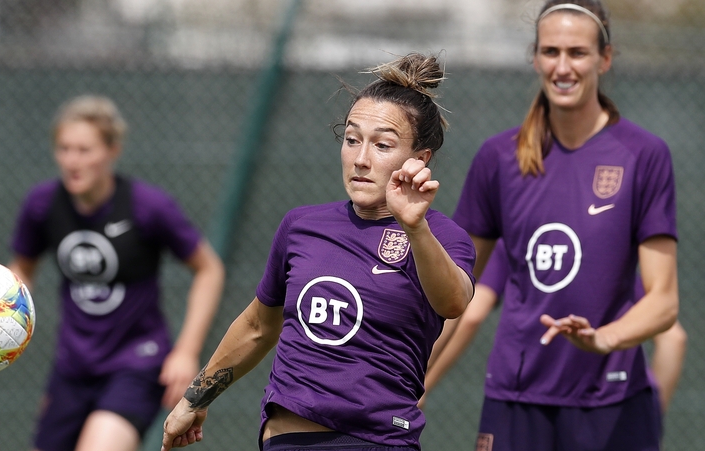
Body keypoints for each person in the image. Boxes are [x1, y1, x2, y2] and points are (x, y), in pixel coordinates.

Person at [160, 52, 476, 451]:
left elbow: (454, 302)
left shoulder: (439, 236)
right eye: (352, 139)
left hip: (375, 441)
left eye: (382, 145)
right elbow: (258, 326)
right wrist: (194, 399)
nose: (361, 159)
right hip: (285, 441)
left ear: (419, 159)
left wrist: (415, 227)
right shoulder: (302, 226)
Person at [451, 1, 679, 449]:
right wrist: (407, 376)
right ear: (535, 58)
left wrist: (602, 339)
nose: (562, 67)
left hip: (612, 401)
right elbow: (455, 291)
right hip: (515, 398)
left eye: (577, 53)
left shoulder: (643, 155)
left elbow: (664, 302)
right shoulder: (498, 157)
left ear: (604, 59)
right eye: (550, 51)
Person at [0, 95, 225, 451]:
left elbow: (208, 269)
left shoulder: (148, 206)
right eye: (64, 149)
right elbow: (22, 272)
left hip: (136, 364)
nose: (72, 161)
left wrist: (186, 350)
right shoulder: (42, 204)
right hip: (72, 367)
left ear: (112, 151)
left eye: (84, 150)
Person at [419, 240, 687, 414]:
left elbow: (471, 316)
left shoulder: (513, 242)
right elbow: (674, 339)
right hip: (610, 408)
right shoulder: (603, 255)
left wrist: (422, 384)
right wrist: (650, 419)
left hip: (529, 402)